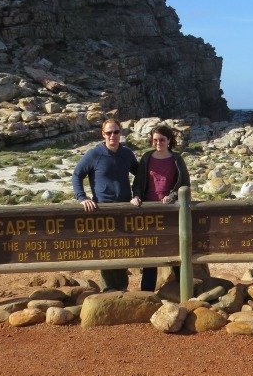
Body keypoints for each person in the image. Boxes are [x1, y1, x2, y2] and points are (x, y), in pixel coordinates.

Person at [72, 118, 138, 291]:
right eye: (109, 132)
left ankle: (122, 289)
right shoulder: (94, 154)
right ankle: (109, 290)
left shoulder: (127, 154)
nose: (112, 136)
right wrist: (82, 197)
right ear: (103, 134)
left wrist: (137, 194)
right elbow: (77, 175)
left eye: (116, 132)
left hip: (124, 209)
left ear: (120, 133)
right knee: (107, 250)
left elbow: (141, 175)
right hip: (103, 210)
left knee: (123, 249)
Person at [130, 125, 190, 290]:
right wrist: (136, 196)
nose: (158, 143)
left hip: (170, 212)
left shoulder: (177, 159)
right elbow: (138, 182)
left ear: (169, 140)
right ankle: (147, 292)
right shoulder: (147, 157)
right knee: (151, 251)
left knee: (176, 249)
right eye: (155, 140)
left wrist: (172, 196)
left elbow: (185, 184)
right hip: (149, 211)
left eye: (162, 140)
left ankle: (181, 289)